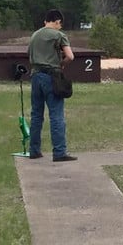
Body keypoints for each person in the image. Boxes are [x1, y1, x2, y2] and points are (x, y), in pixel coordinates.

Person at [28, 9, 78, 161]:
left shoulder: (34, 35)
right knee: (56, 114)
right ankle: (59, 152)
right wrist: (62, 64)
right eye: (59, 25)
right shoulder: (59, 35)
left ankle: (34, 150)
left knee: (36, 115)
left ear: (45, 21)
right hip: (51, 77)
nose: (59, 27)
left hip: (35, 76)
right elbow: (70, 56)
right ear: (57, 22)